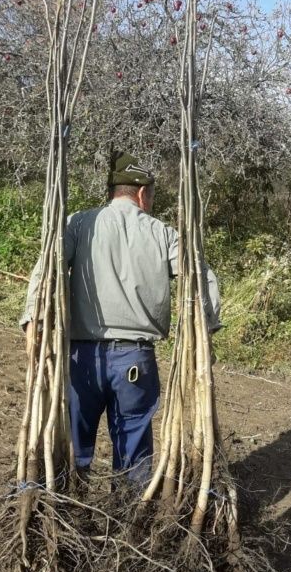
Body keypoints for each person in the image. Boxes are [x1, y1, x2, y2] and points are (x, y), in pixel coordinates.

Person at [20, 152, 221, 488]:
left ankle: (69, 507)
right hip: (135, 360)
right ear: (143, 193)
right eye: (153, 196)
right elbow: (201, 276)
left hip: (81, 359)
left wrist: (33, 320)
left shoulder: (79, 223)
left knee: (74, 443)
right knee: (132, 448)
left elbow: (47, 268)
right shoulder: (163, 234)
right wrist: (207, 327)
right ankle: (130, 516)